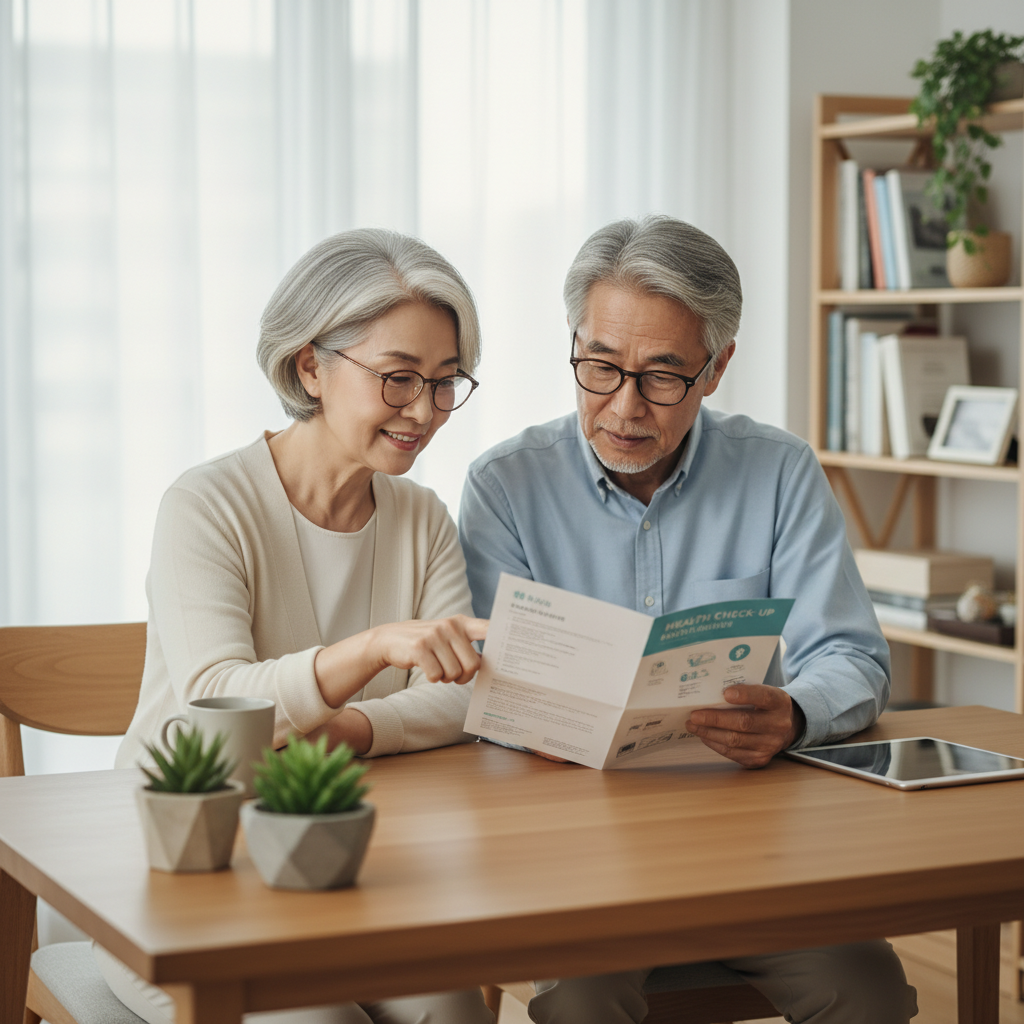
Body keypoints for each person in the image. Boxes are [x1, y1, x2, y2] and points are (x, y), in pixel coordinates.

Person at [458, 216, 918, 1023]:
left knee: (868, 990)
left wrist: (797, 711)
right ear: (573, 342)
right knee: (581, 1005)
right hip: (579, 862)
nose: (625, 408)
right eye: (599, 367)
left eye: (662, 375)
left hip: (754, 852)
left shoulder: (779, 472)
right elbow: (493, 690)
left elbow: (851, 652)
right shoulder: (505, 486)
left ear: (717, 368)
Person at [99, 229, 495, 1024]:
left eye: (446, 382)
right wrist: (376, 648)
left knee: (451, 1011)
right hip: (181, 872)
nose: (425, 411)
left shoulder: (422, 517)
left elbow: (462, 701)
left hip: (353, 865)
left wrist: (340, 731)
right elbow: (218, 703)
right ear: (310, 366)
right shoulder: (205, 505)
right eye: (398, 379)